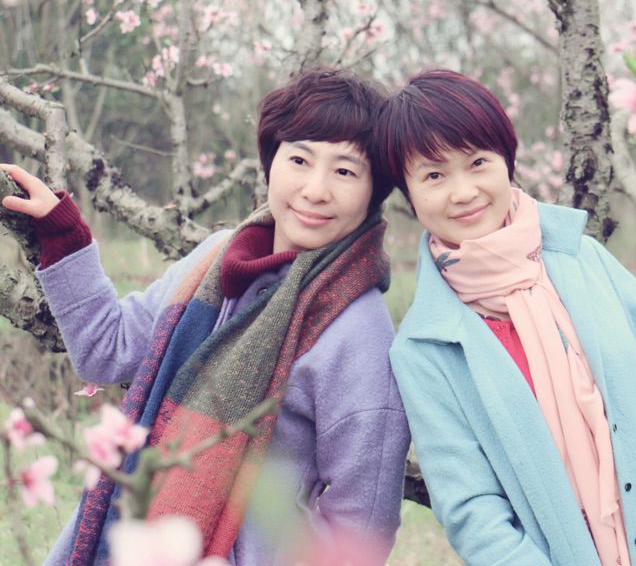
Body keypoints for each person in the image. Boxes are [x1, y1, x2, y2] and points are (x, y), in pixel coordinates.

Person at [1, 68, 410, 566]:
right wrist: (64, 238)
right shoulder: (215, 260)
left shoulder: (358, 330)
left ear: (374, 192)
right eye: (300, 159)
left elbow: (362, 529)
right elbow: (106, 349)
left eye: (345, 171)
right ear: (271, 162)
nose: (315, 189)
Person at [374, 68, 636, 566]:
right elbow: (473, 511)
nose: (463, 192)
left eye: (478, 162)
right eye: (434, 175)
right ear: (408, 194)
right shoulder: (424, 349)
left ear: (507, 161)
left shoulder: (582, 260)